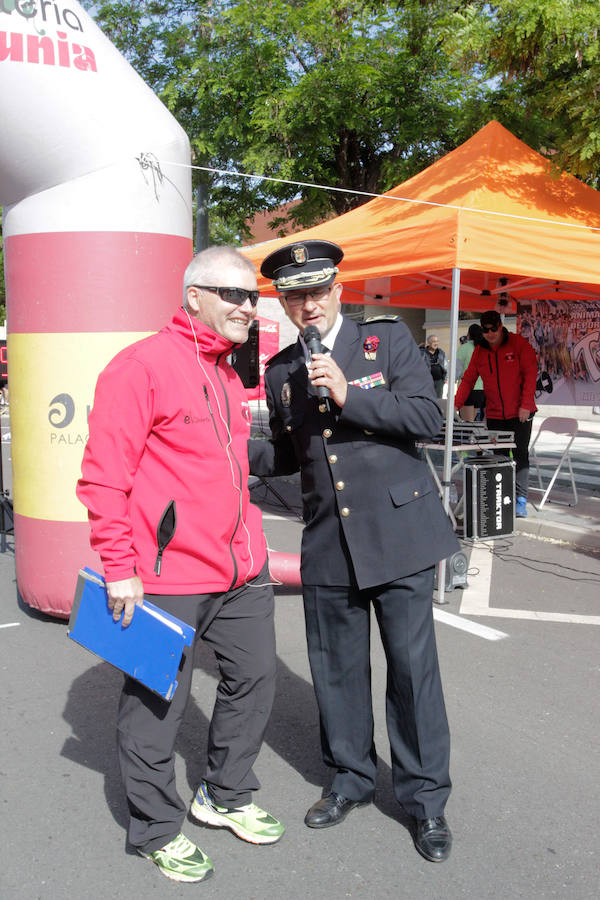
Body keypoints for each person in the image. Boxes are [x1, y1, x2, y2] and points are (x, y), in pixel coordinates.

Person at [77, 247, 284, 884]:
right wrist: (119, 565)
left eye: (252, 296)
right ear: (194, 296)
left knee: (255, 679)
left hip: (241, 569)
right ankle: (156, 828)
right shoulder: (140, 367)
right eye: (232, 294)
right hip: (165, 575)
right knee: (155, 707)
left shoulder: (227, 372)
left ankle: (223, 793)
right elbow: (103, 478)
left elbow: (226, 464)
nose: (246, 307)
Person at [249, 239, 459, 863]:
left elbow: (426, 417)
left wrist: (349, 394)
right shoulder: (281, 371)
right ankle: (351, 778)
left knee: (411, 672)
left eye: (317, 291)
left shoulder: (384, 341)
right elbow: (286, 454)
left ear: (338, 289)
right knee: (335, 669)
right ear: (285, 303)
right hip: (329, 540)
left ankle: (425, 801)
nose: (308, 306)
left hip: (399, 534)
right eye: (295, 297)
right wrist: (225, 449)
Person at [454, 309, 538, 518]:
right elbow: (468, 380)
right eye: (486, 330)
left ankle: (520, 500)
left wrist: (526, 404)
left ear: (501, 326)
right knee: (499, 457)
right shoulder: (479, 351)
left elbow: (531, 373)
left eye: (493, 329)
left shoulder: (518, 344)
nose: (490, 334)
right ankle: (502, 498)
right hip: (494, 414)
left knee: (520, 455)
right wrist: (454, 404)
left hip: (520, 412)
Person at [456, 323, 485, 422]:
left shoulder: (464, 348)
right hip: (481, 390)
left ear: (469, 334)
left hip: (467, 389)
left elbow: (456, 370)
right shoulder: (484, 348)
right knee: (472, 422)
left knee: (467, 424)